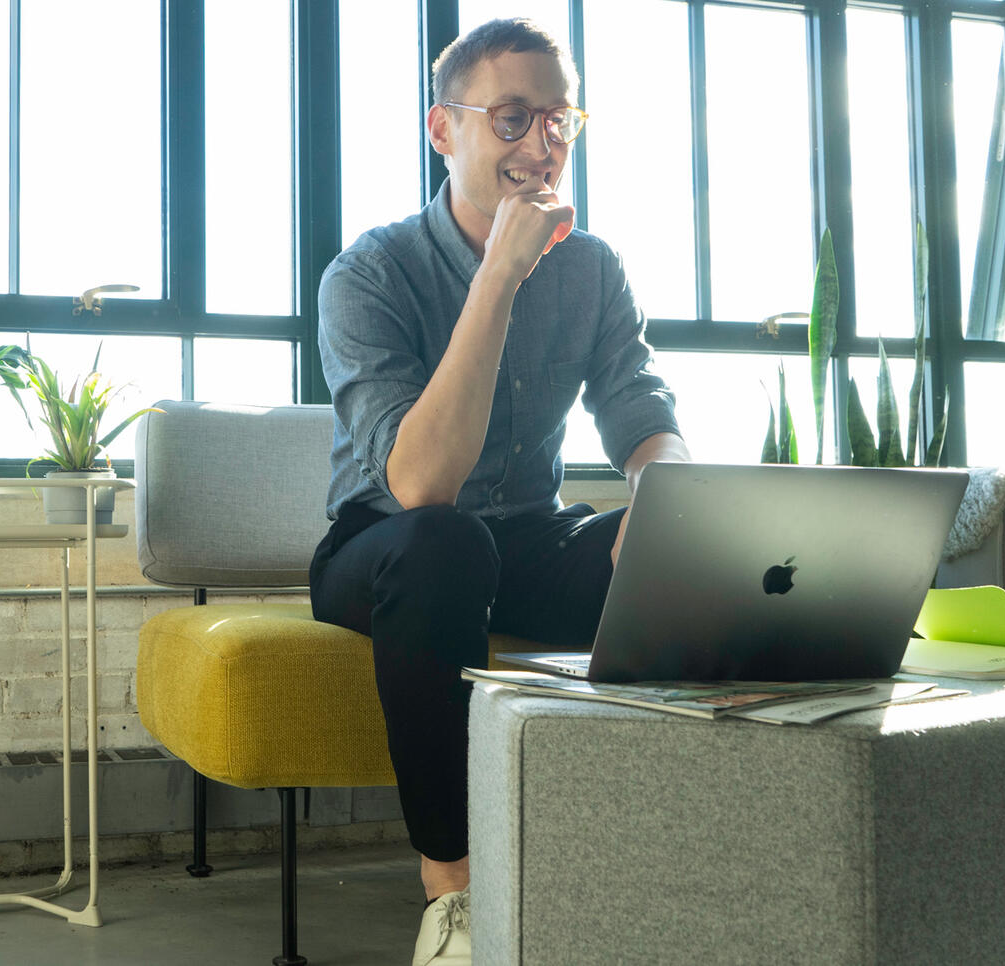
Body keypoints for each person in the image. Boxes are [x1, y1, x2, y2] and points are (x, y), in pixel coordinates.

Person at [309, 17, 690, 966]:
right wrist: (501, 274)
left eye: (559, 122)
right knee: (447, 543)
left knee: (659, 549)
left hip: (523, 533)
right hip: (387, 542)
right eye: (512, 120)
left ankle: (665, 860)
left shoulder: (594, 267)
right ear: (445, 130)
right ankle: (456, 900)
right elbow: (419, 481)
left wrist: (671, 501)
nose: (540, 147)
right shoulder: (369, 273)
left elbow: (640, 412)